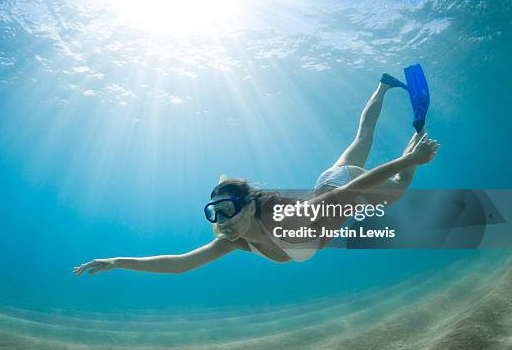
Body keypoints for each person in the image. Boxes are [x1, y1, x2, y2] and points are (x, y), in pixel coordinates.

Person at [73, 77, 440, 275]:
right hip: (328, 181)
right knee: (360, 138)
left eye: (227, 208)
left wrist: (415, 162)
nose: (221, 220)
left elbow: (357, 186)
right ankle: (383, 84)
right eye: (214, 212)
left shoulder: (284, 220)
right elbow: (180, 264)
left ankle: (416, 139)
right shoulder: (235, 240)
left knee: (398, 189)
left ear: (248, 204)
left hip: (340, 185)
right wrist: (116, 262)